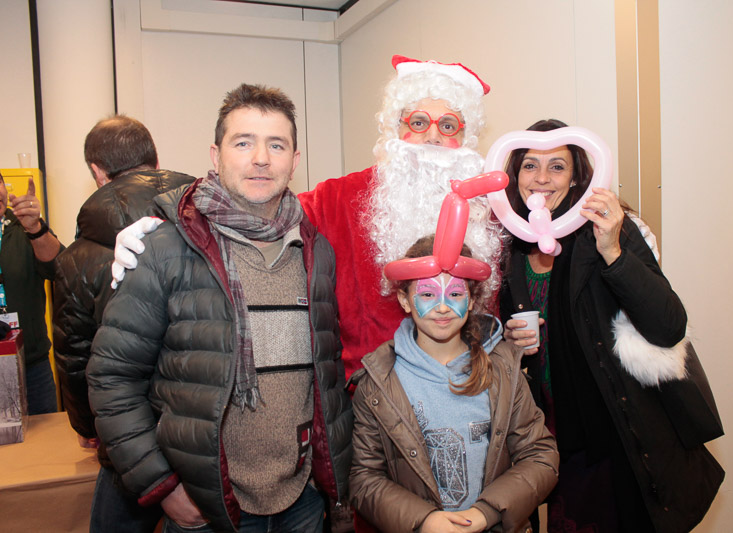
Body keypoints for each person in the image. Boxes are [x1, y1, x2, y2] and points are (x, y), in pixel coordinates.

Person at [112, 56, 506, 381]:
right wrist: (164, 221)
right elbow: (254, 202)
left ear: (465, 138)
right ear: (395, 128)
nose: (433, 137)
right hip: (368, 406)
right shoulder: (341, 198)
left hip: (468, 393)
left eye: (449, 125)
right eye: (418, 122)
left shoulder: (490, 212)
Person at [87, 84, 352, 533]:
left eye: (276, 145)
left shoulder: (315, 250)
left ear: (295, 160)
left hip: (301, 501)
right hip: (207, 505)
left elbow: (325, 374)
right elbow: (112, 378)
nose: (261, 158)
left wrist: (324, 478)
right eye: (243, 142)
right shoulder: (166, 248)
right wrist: (163, 486)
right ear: (216, 155)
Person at [500, 119, 724, 532]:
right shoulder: (507, 244)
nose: (542, 178)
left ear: (577, 177)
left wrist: (613, 251)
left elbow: (668, 326)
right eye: (530, 165)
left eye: (557, 166)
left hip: (613, 431)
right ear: (515, 176)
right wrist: (510, 340)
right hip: (544, 437)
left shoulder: (607, 229)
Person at [349, 235, 558, 533]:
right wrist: (423, 520)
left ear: (471, 300)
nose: (443, 307)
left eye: (456, 294)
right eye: (428, 294)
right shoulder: (378, 384)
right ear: (405, 300)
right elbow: (364, 478)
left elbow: (540, 456)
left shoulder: (503, 371)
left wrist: (488, 512)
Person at [53, 115, 195, 533]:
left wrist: (88, 426)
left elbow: (75, 355)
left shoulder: (77, 259)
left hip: (127, 431)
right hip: (202, 425)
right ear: (155, 161)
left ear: (97, 172)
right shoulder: (206, 225)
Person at [0, 170, 63, 414]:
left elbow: (59, 269)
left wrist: (35, 229)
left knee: (45, 436)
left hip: (32, 367)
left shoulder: (22, 226)